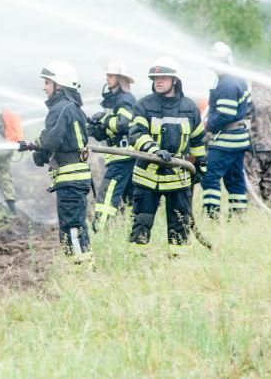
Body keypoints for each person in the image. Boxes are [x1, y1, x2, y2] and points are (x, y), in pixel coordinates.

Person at [127, 57, 206, 249]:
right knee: (141, 224)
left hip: (178, 177)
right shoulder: (143, 105)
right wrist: (154, 150)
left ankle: (178, 267)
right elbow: (136, 134)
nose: (158, 81)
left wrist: (200, 165)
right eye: (155, 78)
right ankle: (137, 264)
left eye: (163, 77)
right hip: (147, 176)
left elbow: (197, 140)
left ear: (175, 80)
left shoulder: (189, 108)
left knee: (179, 226)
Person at [17, 61, 91, 262]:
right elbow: (57, 136)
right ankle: (81, 266)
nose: (44, 87)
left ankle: (81, 271)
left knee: (72, 227)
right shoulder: (72, 107)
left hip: (71, 178)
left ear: (60, 85)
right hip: (77, 177)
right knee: (74, 225)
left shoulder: (60, 108)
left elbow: (52, 139)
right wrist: (37, 146)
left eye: (48, 82)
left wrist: (39, 150)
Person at [202, 41, 252, 218]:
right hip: (239, 139)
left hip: (226, 141)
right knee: (234, 179)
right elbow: (249, 106)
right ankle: (238, 216)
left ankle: (212, 216)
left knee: (210, 178)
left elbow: (225, 114)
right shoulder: (237, 80)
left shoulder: (227, 84)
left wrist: (207, 127)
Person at [88, 59, 137, 232]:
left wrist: (104, 118)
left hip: (124, 155)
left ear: (121, 78)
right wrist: (95, 129)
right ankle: (135, 230)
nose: (108, 78)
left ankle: (99, 231)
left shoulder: (125, 99)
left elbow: (122, 124)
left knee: (107, 192)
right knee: (132, 197)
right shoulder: (112, 99)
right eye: (107, 75)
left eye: (112, 75)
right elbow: (110, 130)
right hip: (119, 154)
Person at [244, 81, 271, 204]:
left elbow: (243, 118)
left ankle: (255, 210)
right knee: (269, 180)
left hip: (255, 145)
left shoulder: (249, 97)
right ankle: (270, 206)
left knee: (252, 179)